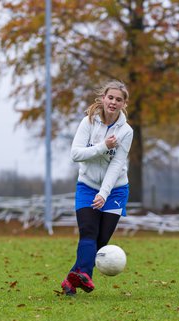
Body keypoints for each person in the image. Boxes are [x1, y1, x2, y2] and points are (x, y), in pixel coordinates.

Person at [61, 79, 133, 296]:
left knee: (100, 242)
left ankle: (71, 280)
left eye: (118, 99)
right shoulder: (88, 122)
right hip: (86, 186)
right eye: (110, 97)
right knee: (88, 233)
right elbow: (76, 154)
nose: (113, 102)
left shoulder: (126, 131)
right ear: (103, 99)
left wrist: (104, 194)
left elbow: (117, 165)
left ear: (123, 104)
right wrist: (103, 146)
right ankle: (84, 275)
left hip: (116, 190)